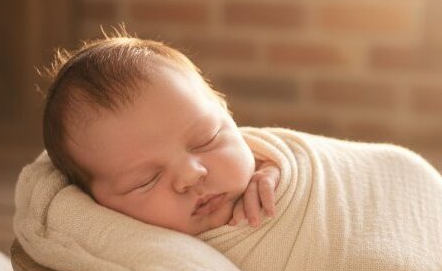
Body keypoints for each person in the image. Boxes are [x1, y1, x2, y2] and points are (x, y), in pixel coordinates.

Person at [40, 29, 279, 237]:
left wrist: (277, 169)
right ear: (94, 203)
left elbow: (308, 157)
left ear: (227, 112)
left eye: (206, 139)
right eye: (146, 180)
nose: (190, 175)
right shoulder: (130, 257)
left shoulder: (277, 168)